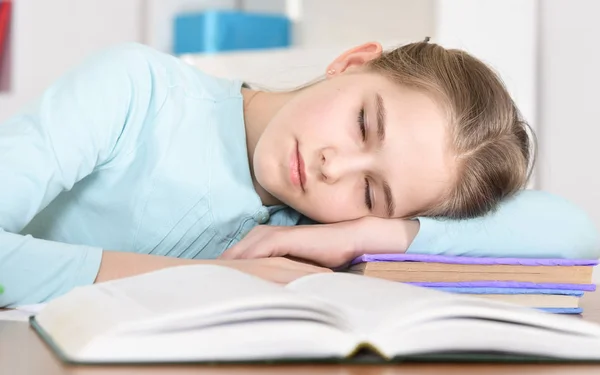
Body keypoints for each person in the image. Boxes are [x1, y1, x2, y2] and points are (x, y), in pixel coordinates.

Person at [0, 40, 595, 308]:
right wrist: (215, 278)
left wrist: (364, 235)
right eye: (364, 123)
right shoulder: (138, 92)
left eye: (371, 191)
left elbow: (571, 232)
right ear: (352, 62)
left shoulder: (302, 231)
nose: (334, 166)